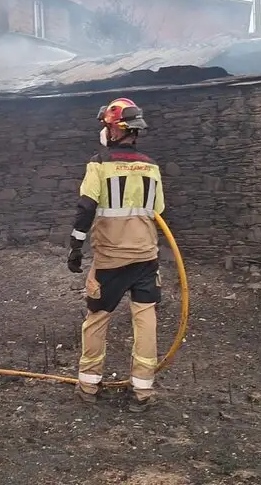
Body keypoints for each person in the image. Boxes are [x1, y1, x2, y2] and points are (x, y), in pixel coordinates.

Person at [66, 97, 165, 413]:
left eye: (106, 126)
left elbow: (86, 207)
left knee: (97, 319)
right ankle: (142, 390)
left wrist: (76, 246)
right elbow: (158, 210)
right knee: (145, 319)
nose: (104, 131)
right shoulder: (151, 166)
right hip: (146, 257)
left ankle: (89, 384)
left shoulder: (99, 164)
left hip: (110, 259)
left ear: (117, 129)